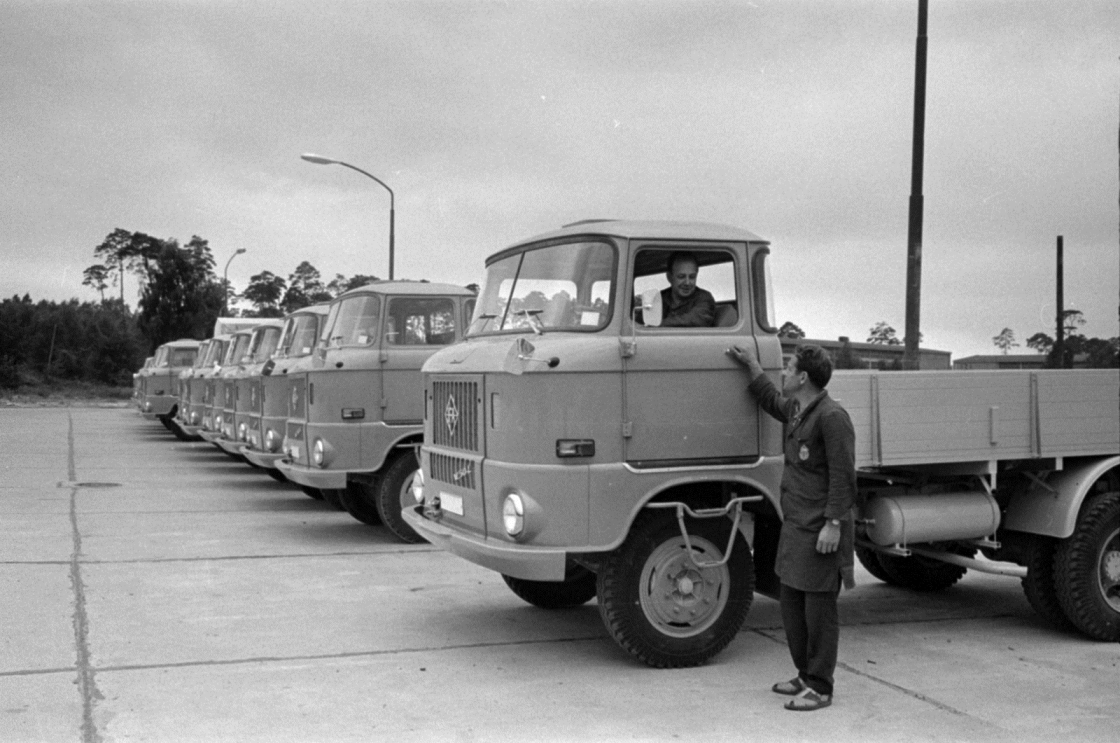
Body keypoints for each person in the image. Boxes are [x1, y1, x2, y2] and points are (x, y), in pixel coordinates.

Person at [726, 342, 857, 712]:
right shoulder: (800, 410)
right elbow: (770, 400)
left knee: (818, 610)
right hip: (797, 525)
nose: (782, 373)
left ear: (803, 378)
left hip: (819, 529)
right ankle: (805, 673)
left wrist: (833, 524)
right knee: (792, 604)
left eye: (788, 368)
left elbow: (844, 477)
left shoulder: (832, 417)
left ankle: (820, 685)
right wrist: (751, 366)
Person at [658, 252, 716, 327]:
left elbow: (692, 320)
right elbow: (640, 323)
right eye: (681, 277)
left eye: (692, 277)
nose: (687, 283)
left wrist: (653, 326)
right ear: (669, 277)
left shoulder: (704, 298)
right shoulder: (659, 298)